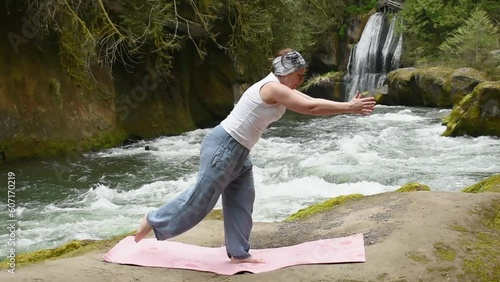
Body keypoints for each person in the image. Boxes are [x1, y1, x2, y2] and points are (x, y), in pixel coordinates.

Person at [134, 48, 376, 263]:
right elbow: (309, 108)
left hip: (239, 152)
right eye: (299, 75)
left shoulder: (280, 87)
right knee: (201, 200)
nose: (301, 80)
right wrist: (348, 108)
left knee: (242, 199)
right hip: (224, 146)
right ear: (285, 72)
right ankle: (154, 220)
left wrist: (347, 106)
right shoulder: (271, 88)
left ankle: (239, 253)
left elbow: (310, 100)